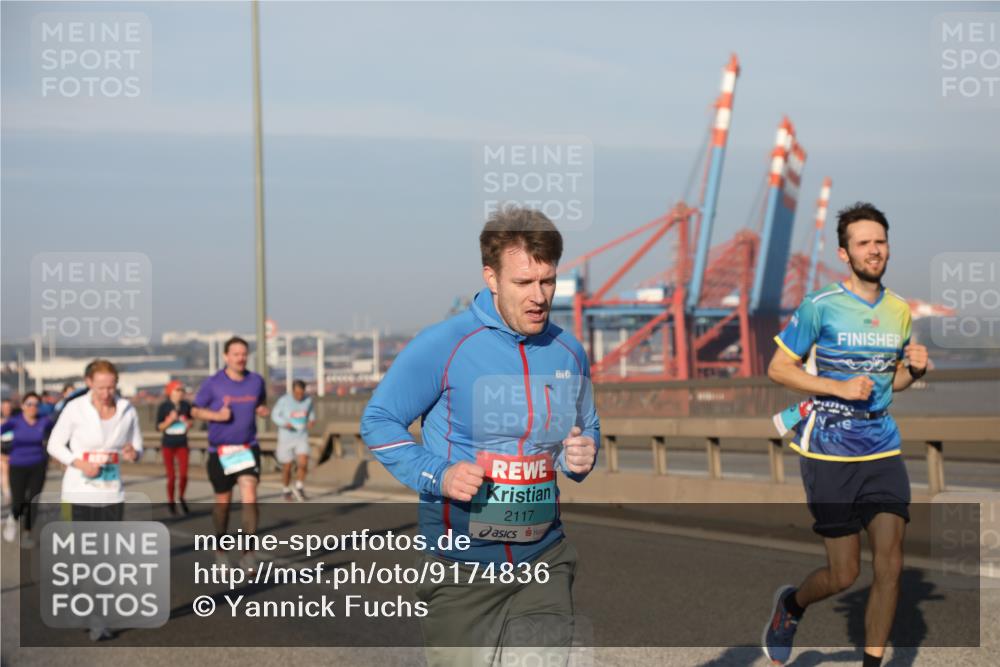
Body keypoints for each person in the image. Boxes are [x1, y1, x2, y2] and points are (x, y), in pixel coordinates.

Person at [361, 206, 600, 666]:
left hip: (544, 559)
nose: (539, 297)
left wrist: (581, 454)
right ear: (491, 277)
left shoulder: (568, 350)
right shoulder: (444, 345)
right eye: (523, 283)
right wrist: (440, 474)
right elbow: (379, 420)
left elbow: (586, 425)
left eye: (548, 281)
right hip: (461, 570)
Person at [762, 202, 928, 666]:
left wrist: (914, 371)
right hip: (829, 452)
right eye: (863, 243)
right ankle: (791, 606)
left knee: (891, 564)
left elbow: (891, 382)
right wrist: (837, 386)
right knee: (844, 574)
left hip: (882, 448)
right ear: (844, 253)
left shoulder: (899, 310)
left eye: (880, 241)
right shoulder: (820, 305)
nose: (874, 250)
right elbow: (778, 368)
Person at [45, 359, 142, 641]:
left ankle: (98, 618)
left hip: (112, 492)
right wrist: (79, 463)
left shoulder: (126, 409)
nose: (106, 393)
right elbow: (54, 445)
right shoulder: (75, 409)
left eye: (111, 387)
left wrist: (133, 453)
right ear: (89, 383)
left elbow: (137, 444)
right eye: (101, 387)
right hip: (79, 491)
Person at [191, 336, 269, 570]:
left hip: (247, 447)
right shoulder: (213, 383)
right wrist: (217, 416)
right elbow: (195, 410)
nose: (241, 358)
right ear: (226, 356)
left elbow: (260, 402)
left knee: (250, 496)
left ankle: (248, 553)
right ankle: (220, 547)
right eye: (236, 354)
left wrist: (261, 409)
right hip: (220, 451)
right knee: (223, 503)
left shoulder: (256, 381)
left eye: (244, 354)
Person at [2, 393, 54, 544]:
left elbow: (58, 433)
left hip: (38, 465)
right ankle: (13, 518)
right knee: (18, 500)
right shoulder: (15, 421)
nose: (33, 407)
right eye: (29, 404)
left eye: (36, 404)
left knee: (34, 499)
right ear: (23, 406)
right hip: (17, 465)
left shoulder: (44, 421)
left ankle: (28, 531)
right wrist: (1, 455)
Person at [271, 379, 316, 501]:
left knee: (304, 461)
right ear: (292, 391)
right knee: (287, 466)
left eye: (301, 393)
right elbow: (274, 415)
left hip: (301, 435)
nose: (299, 396)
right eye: (296, 393)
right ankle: (286, 489)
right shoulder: (284, 400)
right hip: (286, 437)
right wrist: (285, 424)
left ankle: (299, 487)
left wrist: (312, 420)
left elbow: (311, 413)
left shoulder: (308, 400)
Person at [156, 380, 192, 515]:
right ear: (170, 392)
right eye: (177, 390)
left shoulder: (186, 405)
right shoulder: (164, 406)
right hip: (168, 444)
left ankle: (181, 497)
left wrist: (188, 423)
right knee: (171, 476)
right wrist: (170, 420)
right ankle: (171, 501)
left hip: (182, 444)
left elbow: (191, 421)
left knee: (184, 475)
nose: (180, 393)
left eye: (182, 390)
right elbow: (159, 427)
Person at [1, 398, 14, 512]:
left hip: (15, 449)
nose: (7, 410)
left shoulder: (16, 420)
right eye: (4, 407)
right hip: (3, 449)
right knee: (5, 470)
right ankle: (7, 496)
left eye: (8, 407)